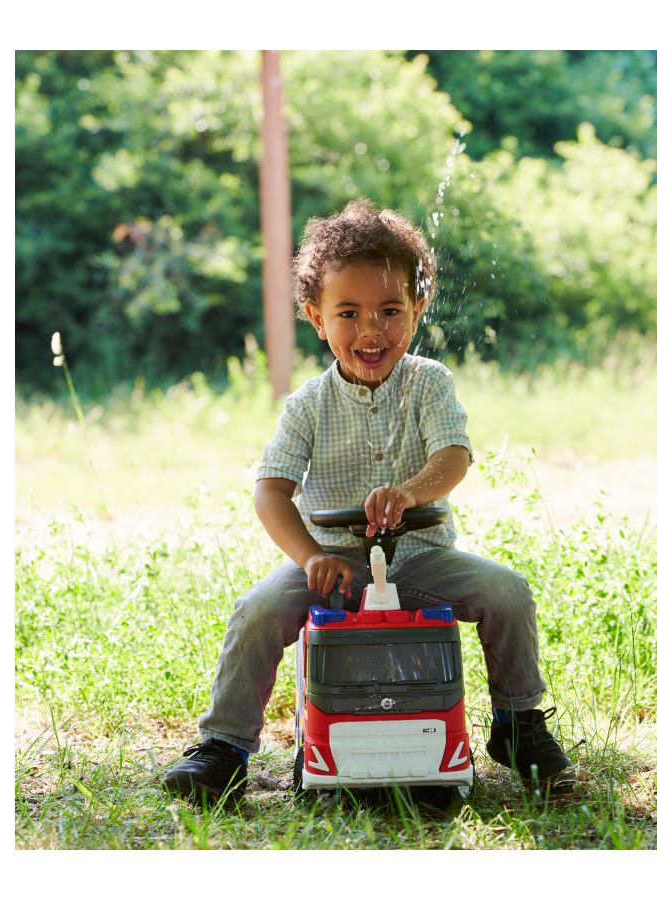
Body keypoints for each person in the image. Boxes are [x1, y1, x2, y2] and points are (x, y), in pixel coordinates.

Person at [163, 199, 580, 805]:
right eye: (349, 313)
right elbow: (272, 490)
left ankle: (518, 724)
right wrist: (308, 557)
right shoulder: (307, 404)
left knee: (506, 592)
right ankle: (224, 748)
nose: (371, 330)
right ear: (316, 317)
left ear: (416, 310)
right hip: (333, 564)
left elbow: (454, 456)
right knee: (257, 610)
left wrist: (411, 492)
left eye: (389, 311)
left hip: (420, 561)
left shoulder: (429, 382)